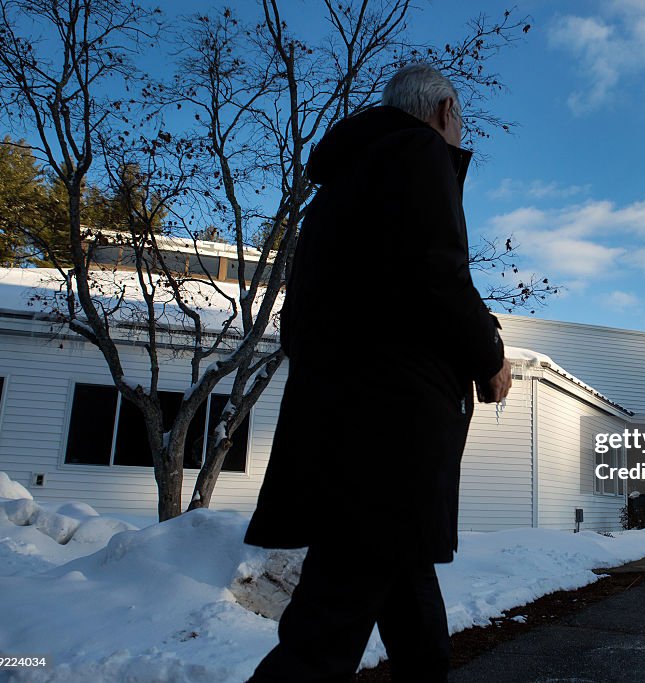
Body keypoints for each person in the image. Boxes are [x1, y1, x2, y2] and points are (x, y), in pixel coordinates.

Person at [243, 63, 512, 682]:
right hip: (388, 440)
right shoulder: (416, 152)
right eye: (461, 120)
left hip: (349, 430)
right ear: (445, 111)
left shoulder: (344, 185)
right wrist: (489, 357)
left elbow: (331, 310)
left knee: (408, 609)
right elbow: (438, 273)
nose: (460, 131)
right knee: (324, 634)